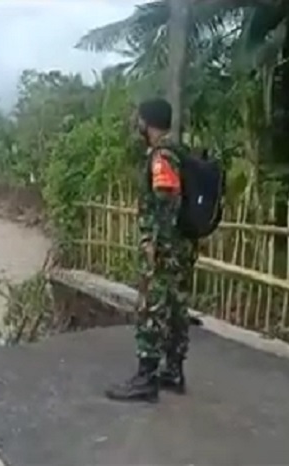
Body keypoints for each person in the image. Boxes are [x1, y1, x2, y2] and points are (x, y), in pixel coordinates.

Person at [105, 98, 198, 403]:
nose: (136, 123)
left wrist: (153, 243)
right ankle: (173, 370)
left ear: (148, 122)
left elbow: (167, 198)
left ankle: (146, 378)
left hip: (164, 249)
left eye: (139, 119)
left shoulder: (162, 156)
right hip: (181, 248)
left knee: (151, 309)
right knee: (175, 307)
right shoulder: (180, 150)